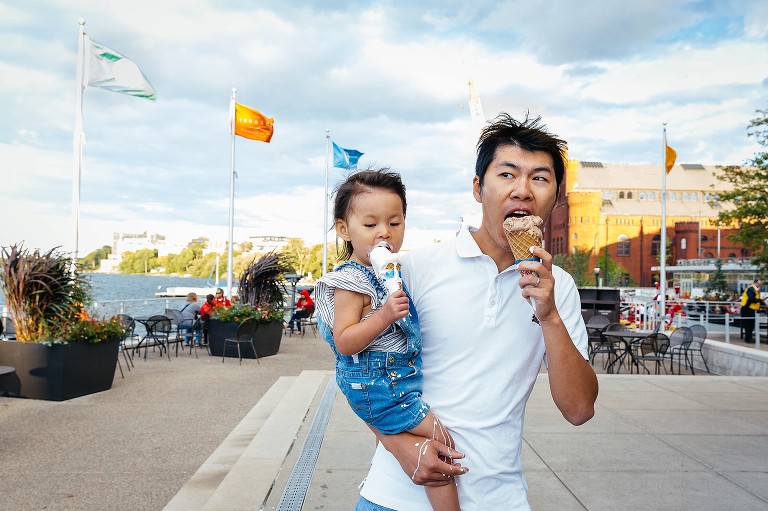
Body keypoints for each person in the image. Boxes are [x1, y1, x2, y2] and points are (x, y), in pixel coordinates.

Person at [354, 113, 598, 511]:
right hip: (392, 497)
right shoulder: (414, 271)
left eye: (540, 177)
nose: (522, 190)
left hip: (498, 499)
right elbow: (359, 375)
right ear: (477, 187)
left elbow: (579, 409)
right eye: (507, 174)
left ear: (556, 195)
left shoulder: (560, 288)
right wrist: (401, 449)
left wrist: (549, 316)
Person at [315, 169, 461, 511]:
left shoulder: (385, 273)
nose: (384, 233)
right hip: (378, 384)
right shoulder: (350, 281)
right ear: (343, 229)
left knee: (435, 442)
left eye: (395, 223)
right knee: (440, 441)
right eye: (371, 225)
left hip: (394, 380)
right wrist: (384, 316)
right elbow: (345, 342)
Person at [740, 278, 765, 343]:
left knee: (751, 324)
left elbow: (757, 299)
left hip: (751, 309)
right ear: (755, 283)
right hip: (747, 309)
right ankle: (748, 339)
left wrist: (763, 303)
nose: (760, 285)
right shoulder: (750, 289)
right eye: (759, 284)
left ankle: (749, 338)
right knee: (748, 324)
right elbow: (752, 299)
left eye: (761, 284)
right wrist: (760, 301)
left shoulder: (756, 290)